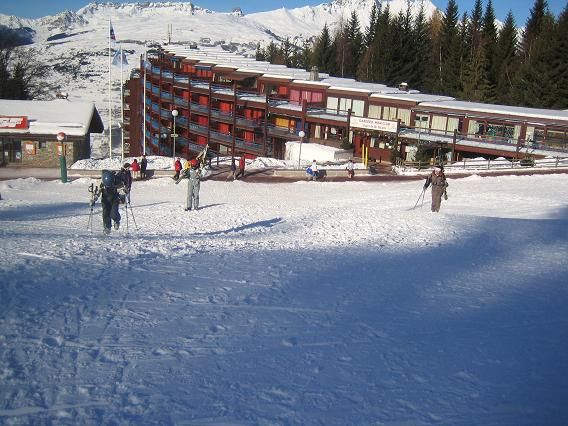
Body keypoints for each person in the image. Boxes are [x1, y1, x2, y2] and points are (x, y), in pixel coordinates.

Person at [91, 169, 129, 234]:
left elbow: (122, 190)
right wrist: (94, 199)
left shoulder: (117, 181)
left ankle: (116, 220)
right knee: (106, 213)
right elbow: (98, 192)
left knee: (114, 213)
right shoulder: (101, 183)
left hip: (114, 199)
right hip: (105, 199)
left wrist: (124, 191)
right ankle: (107, 227)